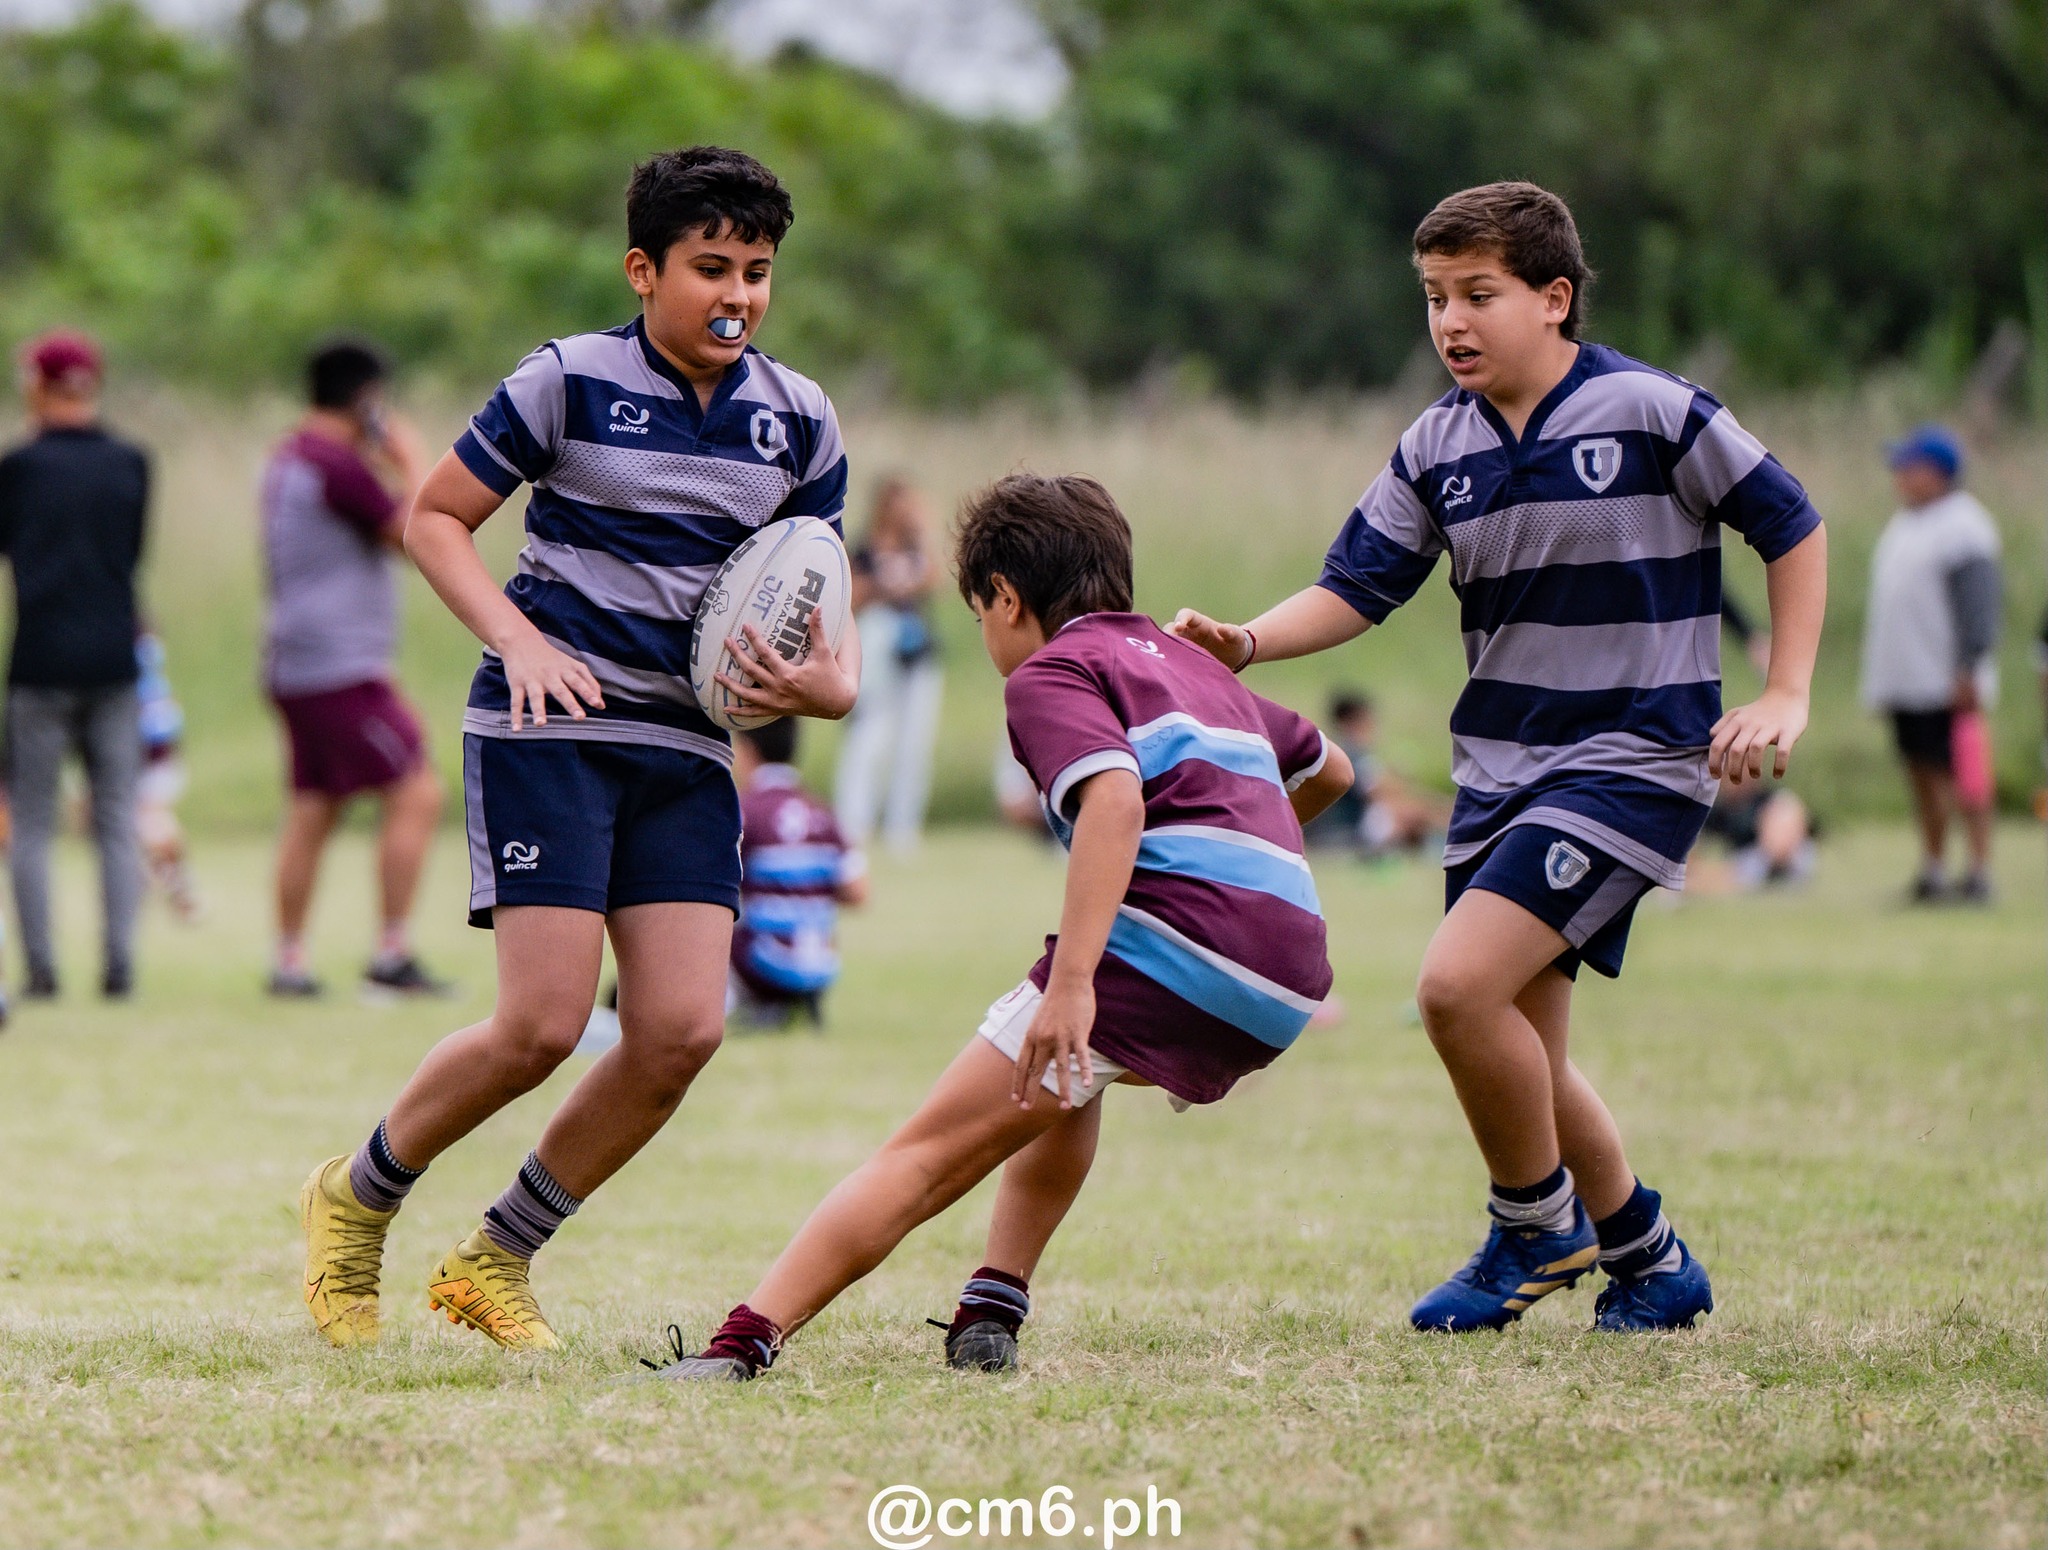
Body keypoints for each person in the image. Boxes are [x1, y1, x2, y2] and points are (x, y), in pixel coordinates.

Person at [1172, 182, 1828, 1334]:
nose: (1451, 322)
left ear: (1553, 297)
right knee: (1520, 1046)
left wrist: (1783, 689)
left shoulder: (1650, 409)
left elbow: (1790, 522)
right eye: (1433, 299)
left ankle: (1533, 1225)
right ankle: (1650, 1259)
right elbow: (1356, 585)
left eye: (1478, 295)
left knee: (1450, 988)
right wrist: (1250, 641)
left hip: (1627, 760)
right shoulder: (1438, 442)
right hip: (1498, 773)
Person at [297, 146, 858, 1352]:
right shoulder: (566, 382)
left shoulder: (798, 419)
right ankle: (357, 1196)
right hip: (548, 728)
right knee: (541, 1024)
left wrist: (826, 684)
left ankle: (494, 1256)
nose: (738, 295)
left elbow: (821, 596)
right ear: (642, 269)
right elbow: (432, 517)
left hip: (690, 747)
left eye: (758, 272)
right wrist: (518, 636)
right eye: (712, 266)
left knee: (680, 1033)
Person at [648, 473, 1352, 1382]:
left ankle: (739, 1344)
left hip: (1181, 950)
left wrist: (1073, 985)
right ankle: (993, 1304)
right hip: (1291, 970)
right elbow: (1328, 769)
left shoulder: (1052, 671)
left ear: (1007, 600)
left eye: (981, 611)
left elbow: (1114, 800)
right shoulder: (1198, 668)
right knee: (1070, 1076)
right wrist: (1252, 880)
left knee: (925, 1154)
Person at [261, 340, 447, 997]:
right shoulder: (336, 466)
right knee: (417, 791)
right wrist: (411, 458)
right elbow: (416, 533)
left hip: (296, 663)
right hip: (340, 667)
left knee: (315, 807)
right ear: (366, 399)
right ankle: (391, 956)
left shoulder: (291, 457)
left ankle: (289, 962)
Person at [0, 330, 148, 1000]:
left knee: (33, 818)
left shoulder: (19, 468)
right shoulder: (132, 462)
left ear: (39, 383)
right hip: (115, 656)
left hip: (40, 658)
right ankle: (119, 964)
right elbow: (132, 553)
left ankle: (41, 968)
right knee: (116, 812)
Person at [1858, 425, 2003, 904]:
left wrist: (1970, 666)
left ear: (1936, 473)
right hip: (1910, 680)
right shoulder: (1907, 523)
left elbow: (1979, 604)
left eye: (1908, 465)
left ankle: (1978, 871)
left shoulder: (1965, 526)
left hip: (1947, 681)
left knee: (1963, 776)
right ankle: (1935, 869)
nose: (1898, 474)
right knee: (1923, 775)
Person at [731, 718, 867, 1029]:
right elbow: (859, 893)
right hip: (820, 963)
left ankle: (745, 1003)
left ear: (746, 748)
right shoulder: (823, 812)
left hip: (759, 964)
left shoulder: (743, 810)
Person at [834, 476, 945, 855]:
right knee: (869, 733)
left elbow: (936, 578)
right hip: (876, 642)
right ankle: (854, 822)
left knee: (913, 739)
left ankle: (903, 826)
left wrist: (912, 572)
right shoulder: (864, 549)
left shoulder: (916, 548)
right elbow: (848, 595)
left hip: (915, 647)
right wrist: (884, 585)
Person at [1302, 689, 1451, 855]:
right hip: (1348, 830)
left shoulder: (1343, 750)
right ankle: (1455, 837)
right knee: (1410, 812)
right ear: (1353, 721)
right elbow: (1379, 792)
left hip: (1352, 825)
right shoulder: (1349, 754)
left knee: (1410, 810)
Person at [135, 630, 199, 921]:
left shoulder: (148, 684)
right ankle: (175, 887)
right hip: (143, 760)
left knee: (154, 826)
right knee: (152, 828)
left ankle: (173, 886)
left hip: (153, 761)